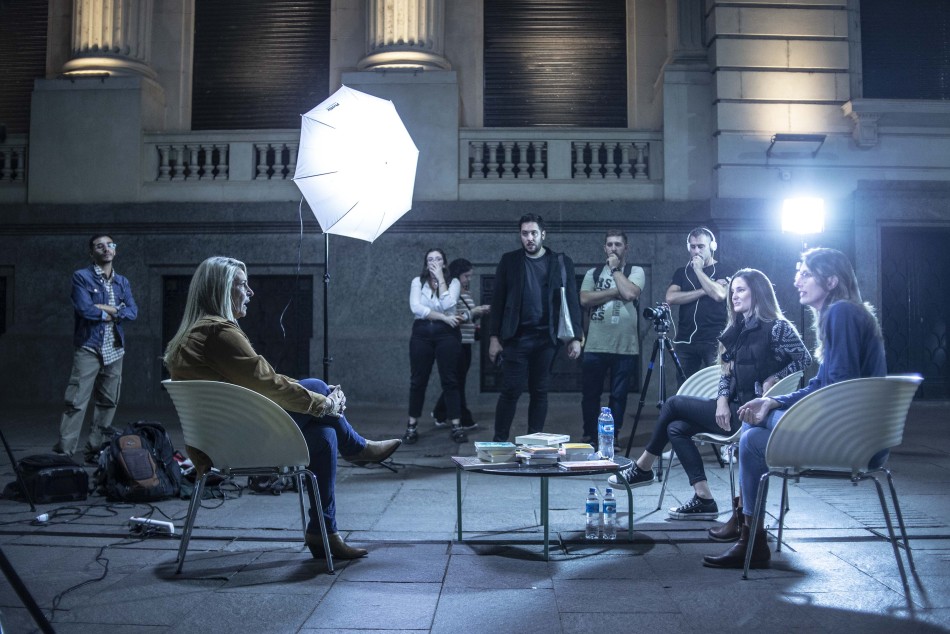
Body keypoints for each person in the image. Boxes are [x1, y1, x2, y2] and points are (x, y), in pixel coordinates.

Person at [164, 256, 401, 560]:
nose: (250, 292)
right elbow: (270, 385)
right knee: (316, 387)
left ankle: (323, 533)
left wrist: (323, 407)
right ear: (221, 290)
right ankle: (356, 447)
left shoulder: (193, 334)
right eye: (242, 285)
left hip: (217, 441)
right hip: (236, 445)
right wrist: (326, 402)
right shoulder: (218, 333)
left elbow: (265, 380)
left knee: (323, 436)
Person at [704, 249, 886, 569]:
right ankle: (750, 538)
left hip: (853, 439)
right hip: (857, 432)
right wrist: (773, 401)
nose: (796, 280)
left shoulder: (841, 313)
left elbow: (838, 388)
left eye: (805, 274)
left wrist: (777, 411)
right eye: (797, 272)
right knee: (752, 431)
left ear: (831, 281)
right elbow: (822, 384)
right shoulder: (843, 312)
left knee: (751, 430)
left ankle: (751, 538)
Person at [608, 268, 811, 522]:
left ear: (758, 292)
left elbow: (804, 359)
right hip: (732, 409)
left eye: (741, 290)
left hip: (753, 415)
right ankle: (704, 498)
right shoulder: (735, 328)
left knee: (672, 404)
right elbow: (726, 373)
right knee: (676, 427)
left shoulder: (778, 327)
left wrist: (777, 378)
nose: (734, 295)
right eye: (733, 290)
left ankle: (642, 467)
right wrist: (722, 401)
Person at [488, 213, 583, 442]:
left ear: (543, 234)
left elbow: (571, 300)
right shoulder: (509, 261)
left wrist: (576, 337)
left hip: (546, 339)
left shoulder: (560, 262)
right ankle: (499, 442)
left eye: (533, 233)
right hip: (516, 337)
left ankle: (534, 443)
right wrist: (493, 337)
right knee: (510, 390)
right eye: (524, 234)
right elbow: (497, 300)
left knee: (540, 392)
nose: (529, 238)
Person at [54, 234, 138, 463]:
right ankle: (65, 453)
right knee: (76, 401)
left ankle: (95, 450)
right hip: (89, 346)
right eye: (99, 246)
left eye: (110, 245)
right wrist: (114, 311)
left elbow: (132, 311)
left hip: (115, 348)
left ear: (115, 250)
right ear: (92, 253)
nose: (106, 249)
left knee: (108, 401)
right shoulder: (81, 277)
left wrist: (106, 309)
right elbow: (84, 309)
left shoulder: (122, 282)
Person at [579, 229, 645, 444]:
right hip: (595, 345)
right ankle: (591, 434)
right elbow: (585, 299)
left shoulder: (635, 270)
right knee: (590, 395)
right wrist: (614, 292)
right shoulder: (594, 273)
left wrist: (616, 271)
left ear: (626, 247)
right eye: (609, 244)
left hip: (624, 346)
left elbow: (630, 293)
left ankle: (612, 436)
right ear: (604, 248)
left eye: (618, 244)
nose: (613, 248)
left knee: (618, 396)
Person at [404, 248, 467, 444]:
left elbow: (449, 303)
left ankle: (457, 426)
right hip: (422, 333)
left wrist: (440, 278)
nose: (434, 262)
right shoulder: (418, 282)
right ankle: (411, 426)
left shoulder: (454, 282)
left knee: (450, 379)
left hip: (447, 335)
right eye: (430, 259)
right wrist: (442, 317)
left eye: (438, 259)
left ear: (444, 263)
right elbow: (416, 308)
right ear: (425, 264)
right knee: (418, 380)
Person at [666, 227, 732, 383]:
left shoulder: (724, 269)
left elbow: (719, 295)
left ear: (712, 247)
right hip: (685, 340)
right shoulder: (681, 272)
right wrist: (704, 290)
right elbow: (670, 297)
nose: (696, 251)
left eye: (701, 246)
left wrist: (698, 270)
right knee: (685, 387)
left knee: (717, 385)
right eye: (693, 247)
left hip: (714, 339)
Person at [432, 258, 490, 431]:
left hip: (466, 341)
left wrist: (476, 316)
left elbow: (465, 316)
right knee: (457, 382)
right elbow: (452, 318)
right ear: (457, 275)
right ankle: (462, 417)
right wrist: (474, 312)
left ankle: (441, 412)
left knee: (456, 381)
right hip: (457, 342)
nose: (468, 279)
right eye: (466, 276)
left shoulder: (464, 291)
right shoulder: (452, 291)